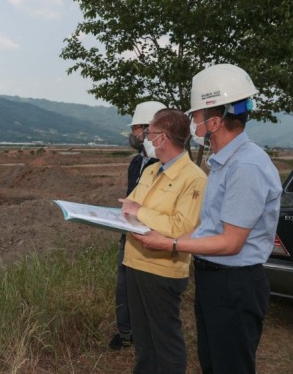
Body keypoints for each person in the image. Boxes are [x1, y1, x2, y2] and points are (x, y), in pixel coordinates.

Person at [132, 63, 282, 374]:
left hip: (234, 284)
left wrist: (171, 243)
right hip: (216, 279)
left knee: (230, 365)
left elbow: (230, 242)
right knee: (213, 363)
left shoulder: (246, 167)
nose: (192, 124)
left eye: (196, 115)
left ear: (214, 121)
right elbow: (210, 228)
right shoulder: (225, 163)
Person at [120, 108, 207, 373]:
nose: (146, 137)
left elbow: (183, 226)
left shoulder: (194, 179)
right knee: (144, 341)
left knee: (165, 340)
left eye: (151, 133)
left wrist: (141, 213)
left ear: (163, 138)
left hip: (162, 270)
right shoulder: (150, 171)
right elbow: (129, 206)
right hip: (135, 262)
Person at [109, 101, 165, 350]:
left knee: (148, 291)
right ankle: (126, 332)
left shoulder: (162, 166)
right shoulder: (136, 163)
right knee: (124, 286)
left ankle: (148, 335)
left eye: (135, 129)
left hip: (152, 238)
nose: (132, 134)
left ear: (148, 130)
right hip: (129, 235)